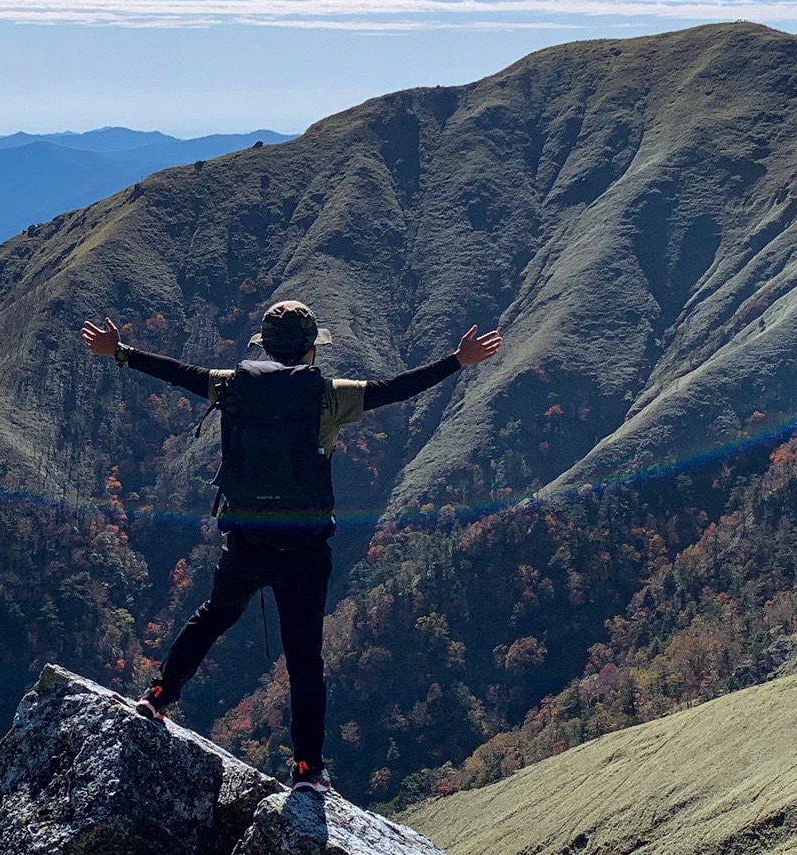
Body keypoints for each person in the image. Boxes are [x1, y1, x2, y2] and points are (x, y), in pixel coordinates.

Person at [81, 299, 502, 790]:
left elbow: (177, 373)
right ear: (309, 350)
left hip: (248, 537)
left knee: (213, 616)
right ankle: (307, 768)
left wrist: (122, 352)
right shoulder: (329, 396)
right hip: (303, 549)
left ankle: (156, 696)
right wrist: (458, 361)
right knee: (304, 658)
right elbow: (395, 390)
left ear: (265, 345)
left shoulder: (230, 385)